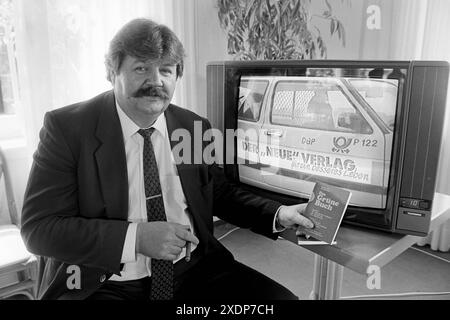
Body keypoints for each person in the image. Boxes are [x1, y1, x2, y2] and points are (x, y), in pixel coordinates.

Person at [20, 18, 314, 300]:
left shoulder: (192, 128)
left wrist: (278, 214)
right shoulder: (68, 130)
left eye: (166, 70)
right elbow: (39, 229)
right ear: (112, 72)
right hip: (103, 282)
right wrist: (135, 238)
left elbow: (220, 194)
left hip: (193, 270)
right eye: (141, 68)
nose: (155, 81)